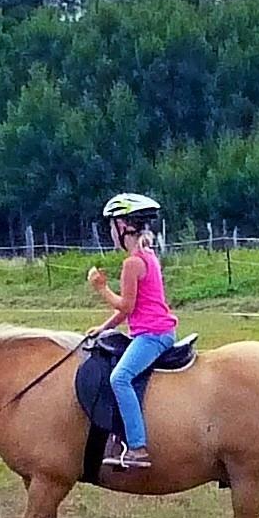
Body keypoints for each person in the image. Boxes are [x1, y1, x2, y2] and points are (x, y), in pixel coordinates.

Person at [86, 191, 177, 471]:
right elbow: (130, 309)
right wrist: (103, 329)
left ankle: (137, 447)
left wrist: (101, 288)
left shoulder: (133, 263)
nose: (111, 232)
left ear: (123, 226)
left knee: (120, 378)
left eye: (112, 225)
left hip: (152, 335)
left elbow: (125, 305)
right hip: (158, 331)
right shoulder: (147, 256)